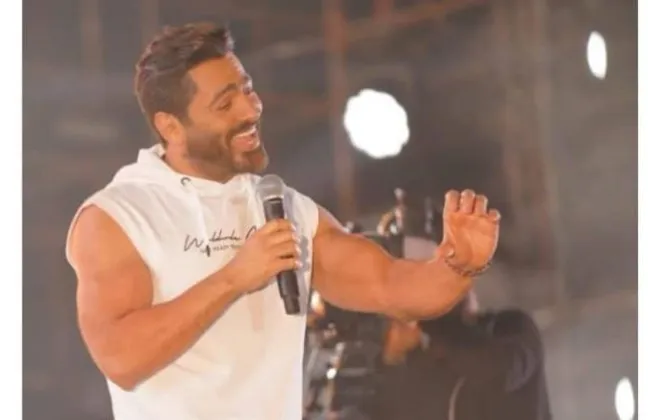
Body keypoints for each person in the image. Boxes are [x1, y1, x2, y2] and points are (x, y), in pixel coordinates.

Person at [64, 22, 501, 420]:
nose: (250, 110)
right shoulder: (119, 216)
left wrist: (459, 264)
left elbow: (393, 288)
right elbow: (120, 359)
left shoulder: (284, 207)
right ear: (171, 127)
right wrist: (234, 278)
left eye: (247, 89)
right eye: (225, 103)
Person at [373, 292, 552, 420]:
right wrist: (396, 355)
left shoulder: (509, 328)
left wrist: (396, 356)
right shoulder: (509, 328)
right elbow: (502, 370)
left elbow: (501, 372)